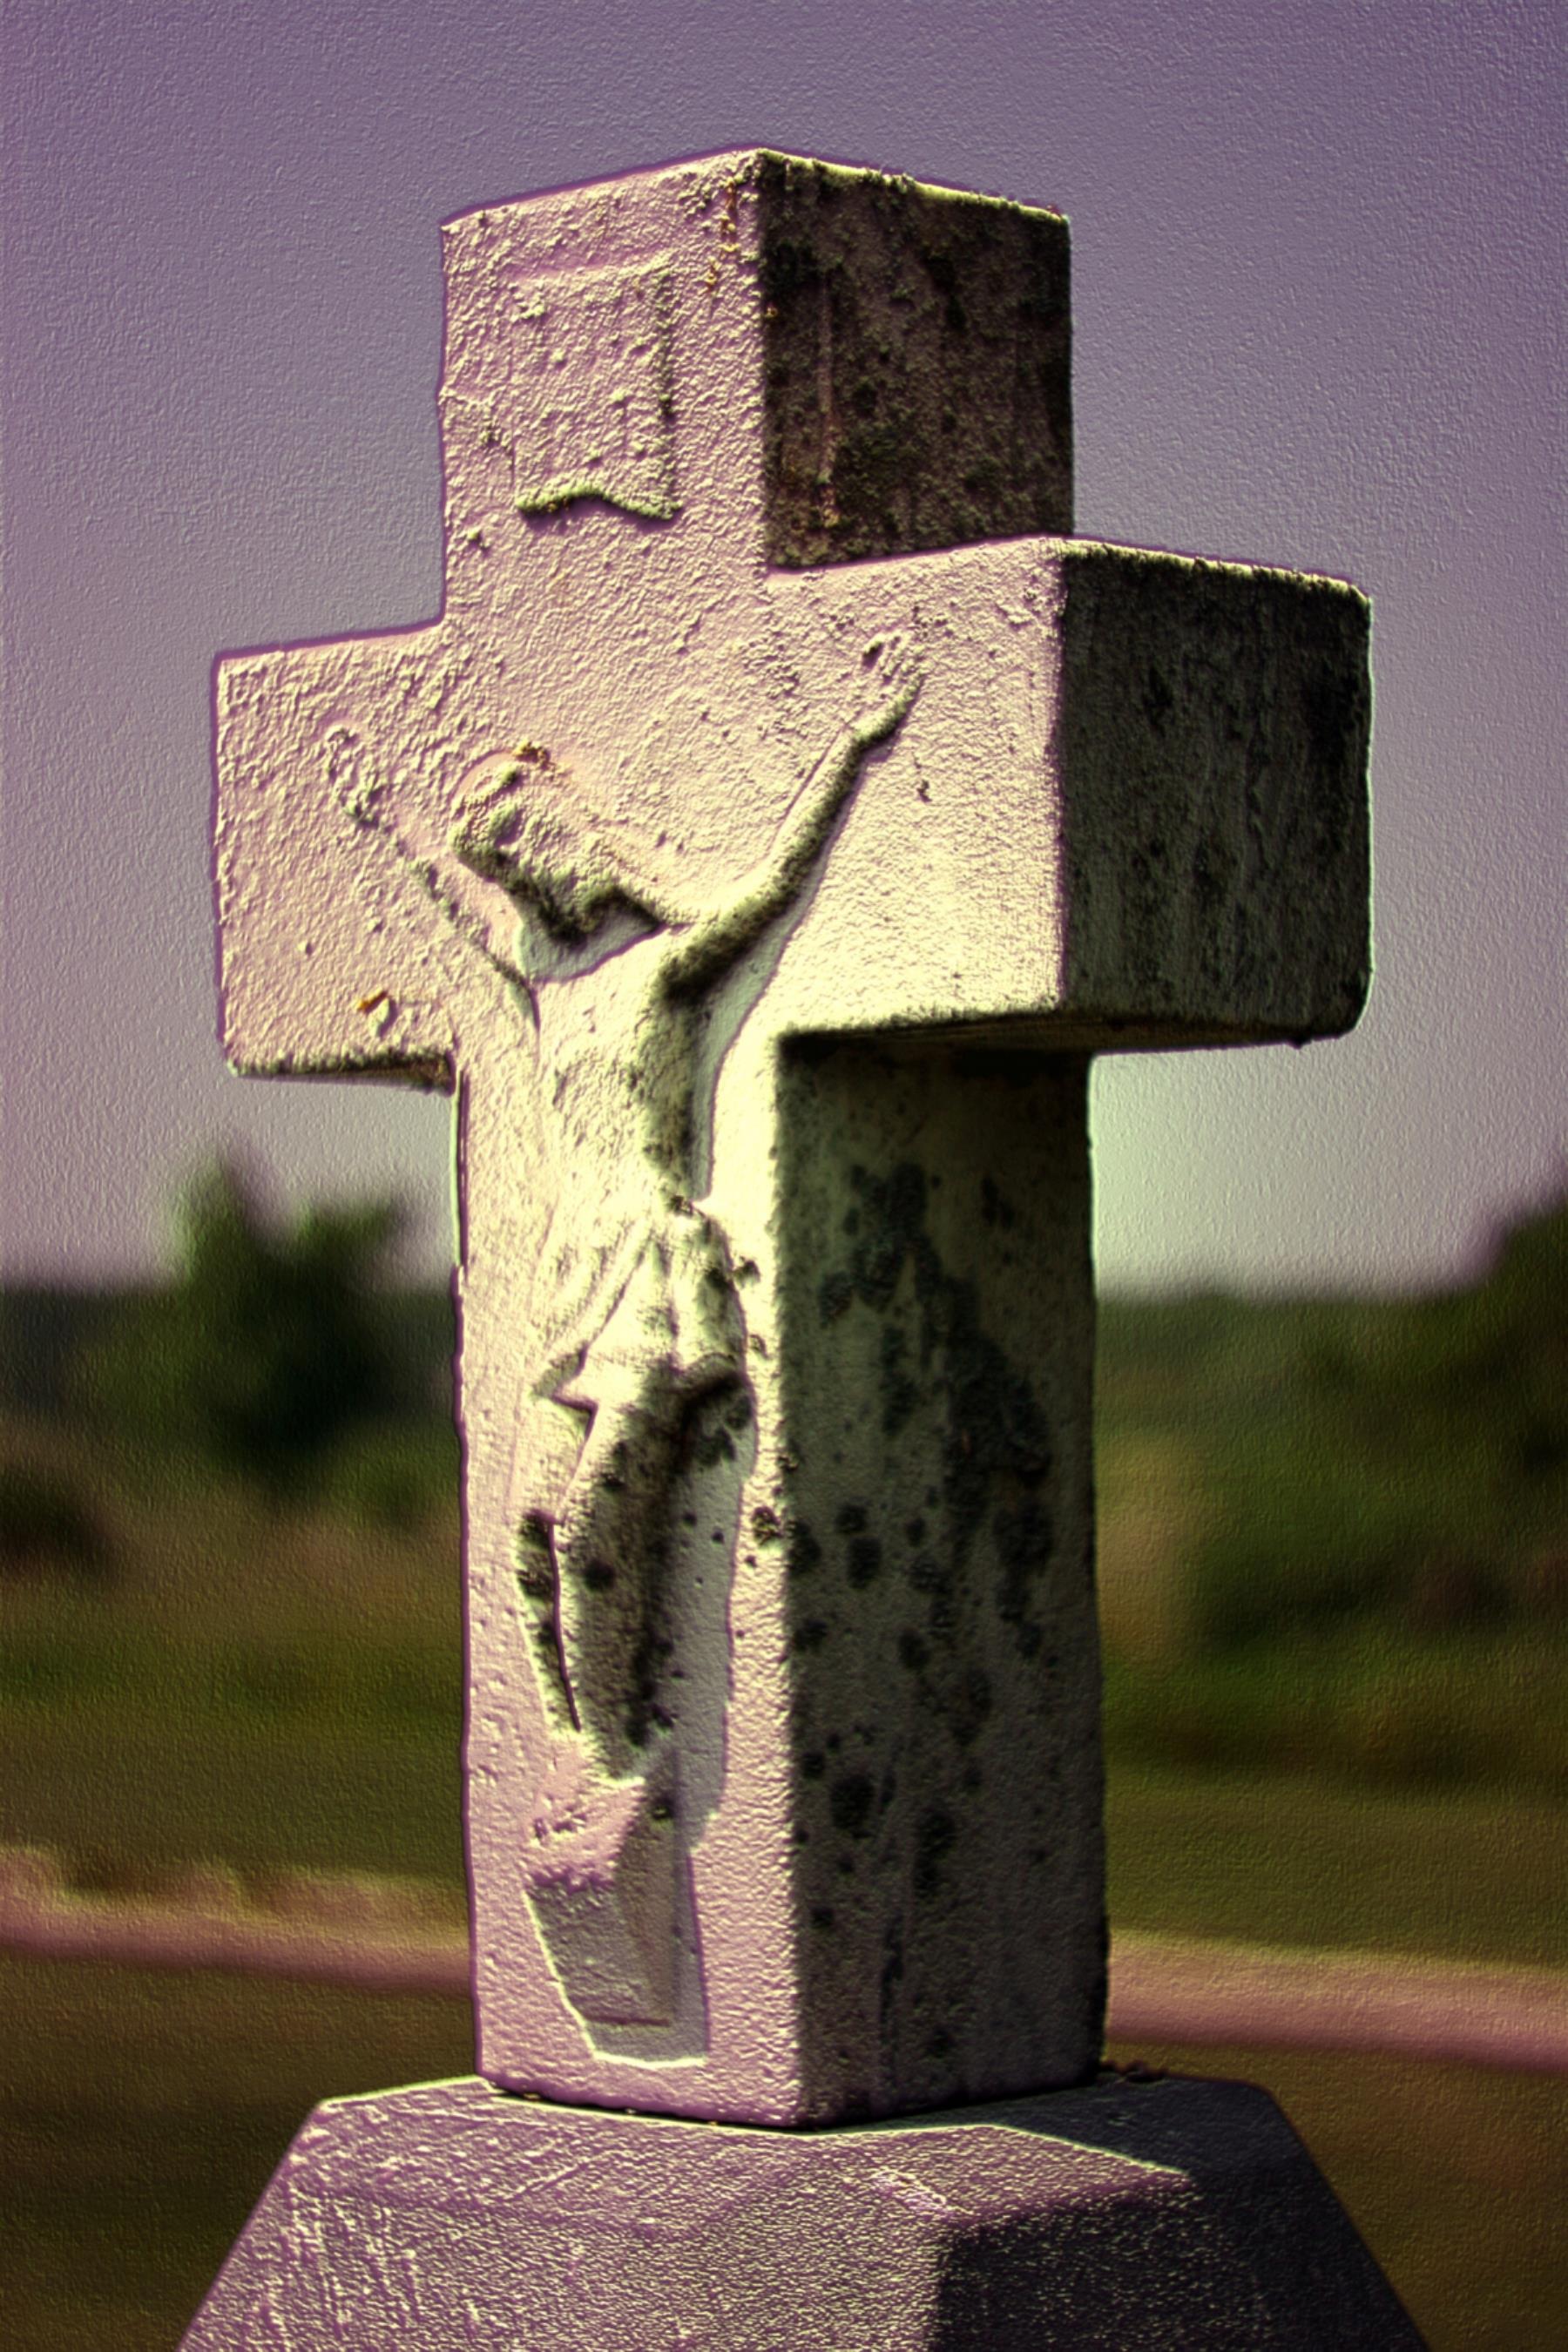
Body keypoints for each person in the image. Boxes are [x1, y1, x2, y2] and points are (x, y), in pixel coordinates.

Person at [339, 634, 919, 1784]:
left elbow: (770, 890)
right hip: (571, 1273)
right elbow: (455, 917)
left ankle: (621, 1756)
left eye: (522, 856)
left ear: (566, 849)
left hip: (650, 1271)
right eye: (503, 873)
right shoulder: (549, 988)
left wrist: (851, 748)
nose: (518, 886)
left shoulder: (662, 969)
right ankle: (576, 1751)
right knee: (526, 1541)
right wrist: (385, 822)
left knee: (591, 1530)